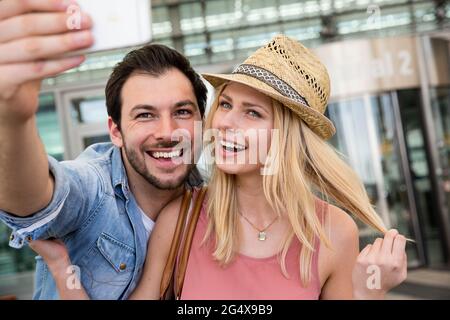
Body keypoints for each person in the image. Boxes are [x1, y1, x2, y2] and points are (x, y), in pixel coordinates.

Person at [31, 35, 408, 300]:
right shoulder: (181, 217)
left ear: (287, 137)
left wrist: (367, 292)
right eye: (225, 105)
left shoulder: (333, 233)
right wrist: (62, 266)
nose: (226, 123)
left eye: (253, 113)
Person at [0, 0, 207, 299]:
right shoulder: (95, 189)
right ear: (116, 131)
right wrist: (12, 120)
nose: (167, 132)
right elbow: (38, 202)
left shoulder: (211, 202)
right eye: (145, 115)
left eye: (183, 112)